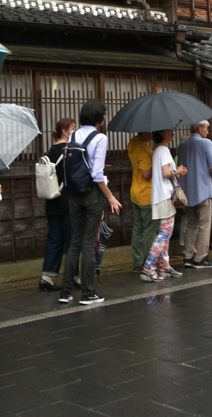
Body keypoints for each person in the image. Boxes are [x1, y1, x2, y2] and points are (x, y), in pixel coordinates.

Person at [59, 100, 121, 306]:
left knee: (74, 242)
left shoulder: (74, 135)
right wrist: (110, 196)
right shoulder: (100, 137)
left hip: (74, 193)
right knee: (88, 242)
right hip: (92, 194)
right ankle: (87, 293)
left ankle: (65, 292)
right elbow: (97, 173)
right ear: (99, 118)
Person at [141, 129, 187, 282]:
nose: (172, 132)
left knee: (164, 233)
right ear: (163, 134)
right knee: (165, 234)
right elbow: (166, 173)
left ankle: (164, 265)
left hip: (159, 195)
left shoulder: (157, 151)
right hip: (164, 196)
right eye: (169, 131)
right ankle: (148, 267)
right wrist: (178, 171)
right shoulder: (164, 150)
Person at [177, 120, 212, 268]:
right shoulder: (206, 143)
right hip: (203, 189)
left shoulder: (182, 145)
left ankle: (188, 256)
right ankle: (200, 258)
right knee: (204, 225)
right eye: (206, 128)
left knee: (191, 224)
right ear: (199, 128)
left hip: (187, 190)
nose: (207, 131)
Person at [41, 118, 76, 291]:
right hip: (67, 200)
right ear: (64, 131)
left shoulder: (50, 151)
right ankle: (73, 276)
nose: (74, 131)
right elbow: (72, 175)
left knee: (54, 239)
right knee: (72, 239)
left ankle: (47, 276)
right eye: (72, 128)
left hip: (52, 200)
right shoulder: (67, 150)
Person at [127, 129, 156, 273]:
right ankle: (147, 263)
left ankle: (137, 263)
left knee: (138, 229)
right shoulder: (144, 150)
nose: (152, 133)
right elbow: (145, 174)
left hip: (135, 192)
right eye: (149, 131)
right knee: (149, 231)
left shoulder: (133, 144)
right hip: (146, 194)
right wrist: (158, 168)